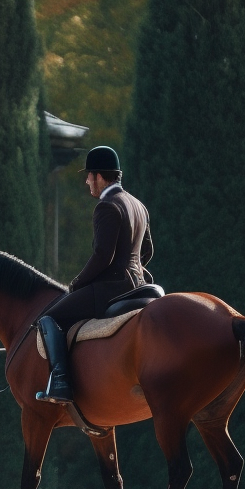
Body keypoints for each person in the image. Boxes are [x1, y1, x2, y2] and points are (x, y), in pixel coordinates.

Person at [35, 145, 152, 405]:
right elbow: (147, 251)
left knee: (49, 317)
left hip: (113, 288)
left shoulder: (107, 206)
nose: (87, 181)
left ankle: (61, 383)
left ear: (100, 176)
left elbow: (102, 257)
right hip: (139, 285)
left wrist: (77, 284)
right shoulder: (138, 205)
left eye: (89, 175)